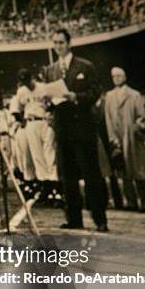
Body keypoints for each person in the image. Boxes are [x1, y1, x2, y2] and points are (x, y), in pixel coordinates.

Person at [44, 28, 108, 232]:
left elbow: (95, 92)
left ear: (69, 43)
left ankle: (100, 219)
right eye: (55, 43)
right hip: (63, 128)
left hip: (83, 127)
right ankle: (74, 219)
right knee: (67, 176)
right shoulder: (51, 70)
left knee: (91, 175)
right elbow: (48, 97)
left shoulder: (85, 66)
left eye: (61, 42)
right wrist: (48, 103)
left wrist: (76, 97)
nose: (58, 47)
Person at [104, 67, 145, 212]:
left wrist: (136, 129)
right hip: (118, 137)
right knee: (124, 171)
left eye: (119, 75)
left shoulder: (134, 95)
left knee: (139, 171)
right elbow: (108, 119)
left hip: (132, 137)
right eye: (113, 76)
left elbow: (142, 117)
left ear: (124, 77)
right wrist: (112, 137)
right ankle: (131, 201)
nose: (116, 78)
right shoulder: (109, 96)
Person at [12, 68, 61, 205]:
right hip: (31, 123)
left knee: (49, 154)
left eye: (27, 79)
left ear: (32, 77)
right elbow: (17, 110)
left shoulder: (43, 88)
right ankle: (46, 189)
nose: (25, 83)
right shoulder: (22, 91)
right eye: (23, 81)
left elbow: (55, 104)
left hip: (45, 122)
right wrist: (22, 122)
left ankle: (55, 190)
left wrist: (51, 116)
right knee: (37, 156)